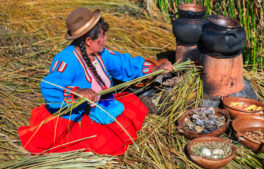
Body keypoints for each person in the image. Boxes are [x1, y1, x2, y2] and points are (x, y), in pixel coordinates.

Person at [18, 7, 174, 155]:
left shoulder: (101, 53)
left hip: (102, 105)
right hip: (78, 117)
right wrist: (77, 92)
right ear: (88, 41)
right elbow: (51, 86)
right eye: (102, 36)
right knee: (108, 140)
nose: (105, 39)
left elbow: (122, 63)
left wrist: (154, 69)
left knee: (132, 102)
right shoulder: (66, 60)